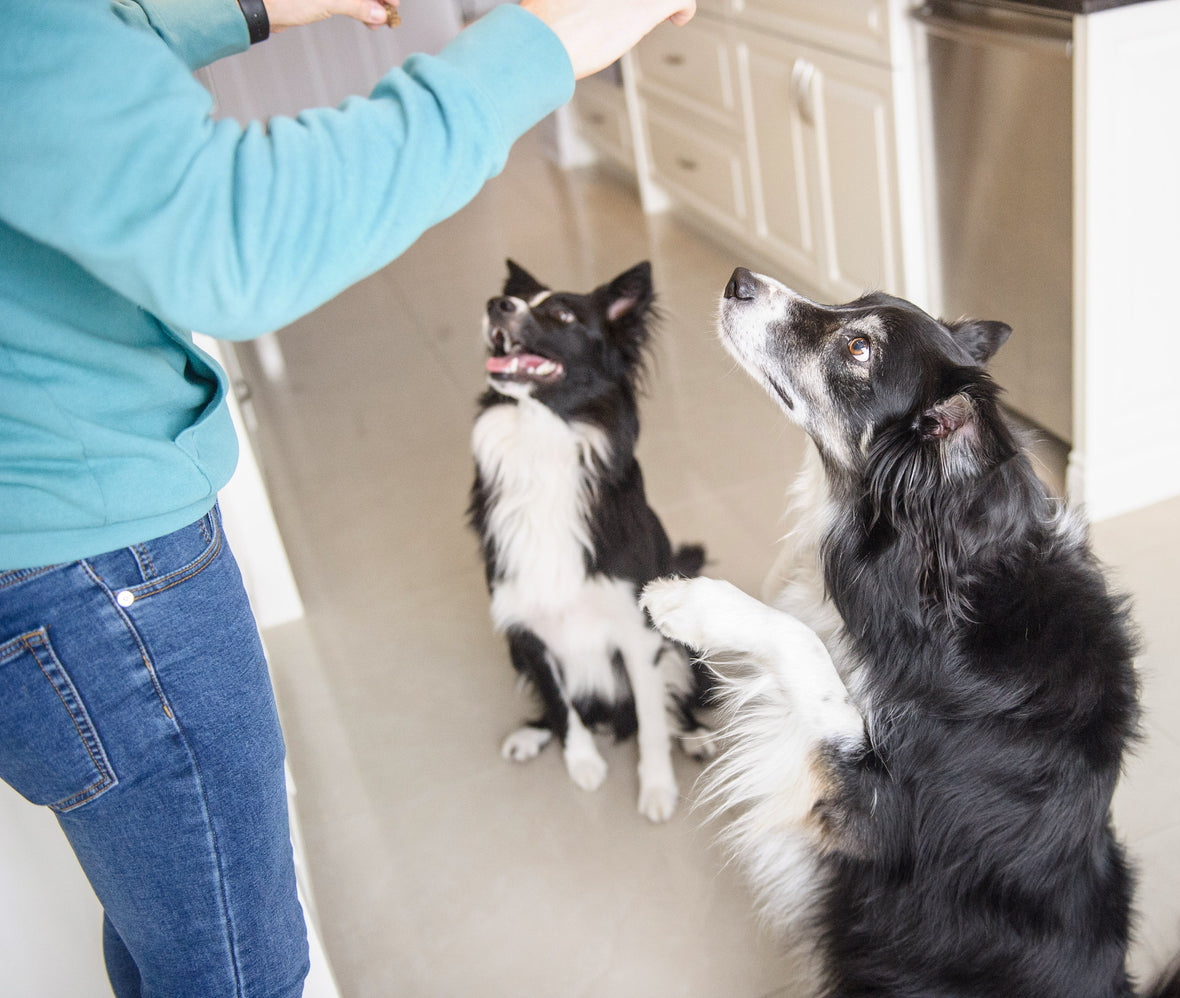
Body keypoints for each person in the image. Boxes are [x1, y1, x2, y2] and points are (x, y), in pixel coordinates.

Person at [0, 0, 694, 995]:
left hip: (62, 544)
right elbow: (230, 235)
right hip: (94, 569)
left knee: (172, 935)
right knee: (238, 970)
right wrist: (535, 43)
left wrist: (248, 6)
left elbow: (55, 49)